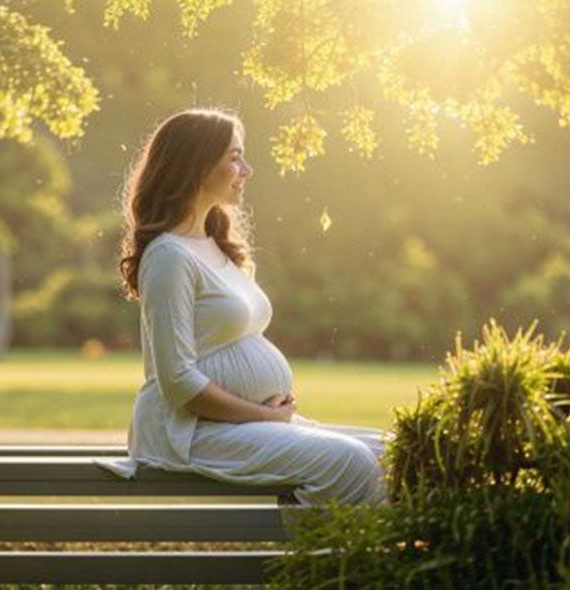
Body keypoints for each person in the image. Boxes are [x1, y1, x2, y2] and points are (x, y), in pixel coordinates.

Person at [105, 107, 389, 506]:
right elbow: (178, 381)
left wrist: (265, 407)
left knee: (392, 452)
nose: (247, 170)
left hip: (242, 423)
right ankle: (324, 548)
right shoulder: (169, 256)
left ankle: (391, 546)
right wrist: (264, 416)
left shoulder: (215, 248)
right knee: (351, 462)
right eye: (235, 157)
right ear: (196, 166)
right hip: (189, 432)